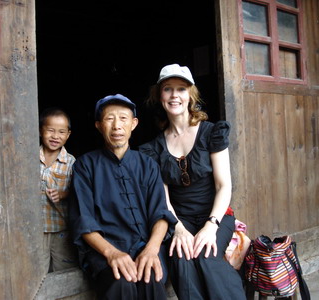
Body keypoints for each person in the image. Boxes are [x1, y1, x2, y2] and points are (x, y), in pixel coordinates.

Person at [139, 64, 246, 300]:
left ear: (190, 95)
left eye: (181, 89)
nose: (174, 95)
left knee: (207, 255)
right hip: (180, 219)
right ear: (160, 96)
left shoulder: (210, 132)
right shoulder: (154, 147)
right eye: (168, 89)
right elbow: (163, 196)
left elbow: (223, 185)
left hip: (216, 215)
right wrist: (177, 228)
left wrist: (211, 225)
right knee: (181, 260)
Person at [68, 94, 177, 300]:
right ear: (99, 125)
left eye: (123, 119)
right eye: (110, 119)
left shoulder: (148, 165)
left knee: (151, 279)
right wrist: (112, 253)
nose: (117, 126)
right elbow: (83, 221)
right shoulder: (85, 166)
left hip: (146, 246)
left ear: (134, 124)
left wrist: (152, 250)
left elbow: (161, 214)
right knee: (121, 282)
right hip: (105, 250)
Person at [39, 107, 78, 272]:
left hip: (61, 230)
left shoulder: (71, 162)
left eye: (61, 132)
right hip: (35, 230)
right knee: (36, 274)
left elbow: (78, 193)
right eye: (50, 131)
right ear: (41, 131)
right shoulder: (27, 156)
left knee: (64, 271)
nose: (56, 136)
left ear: (68, 135)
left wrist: (63, 194)